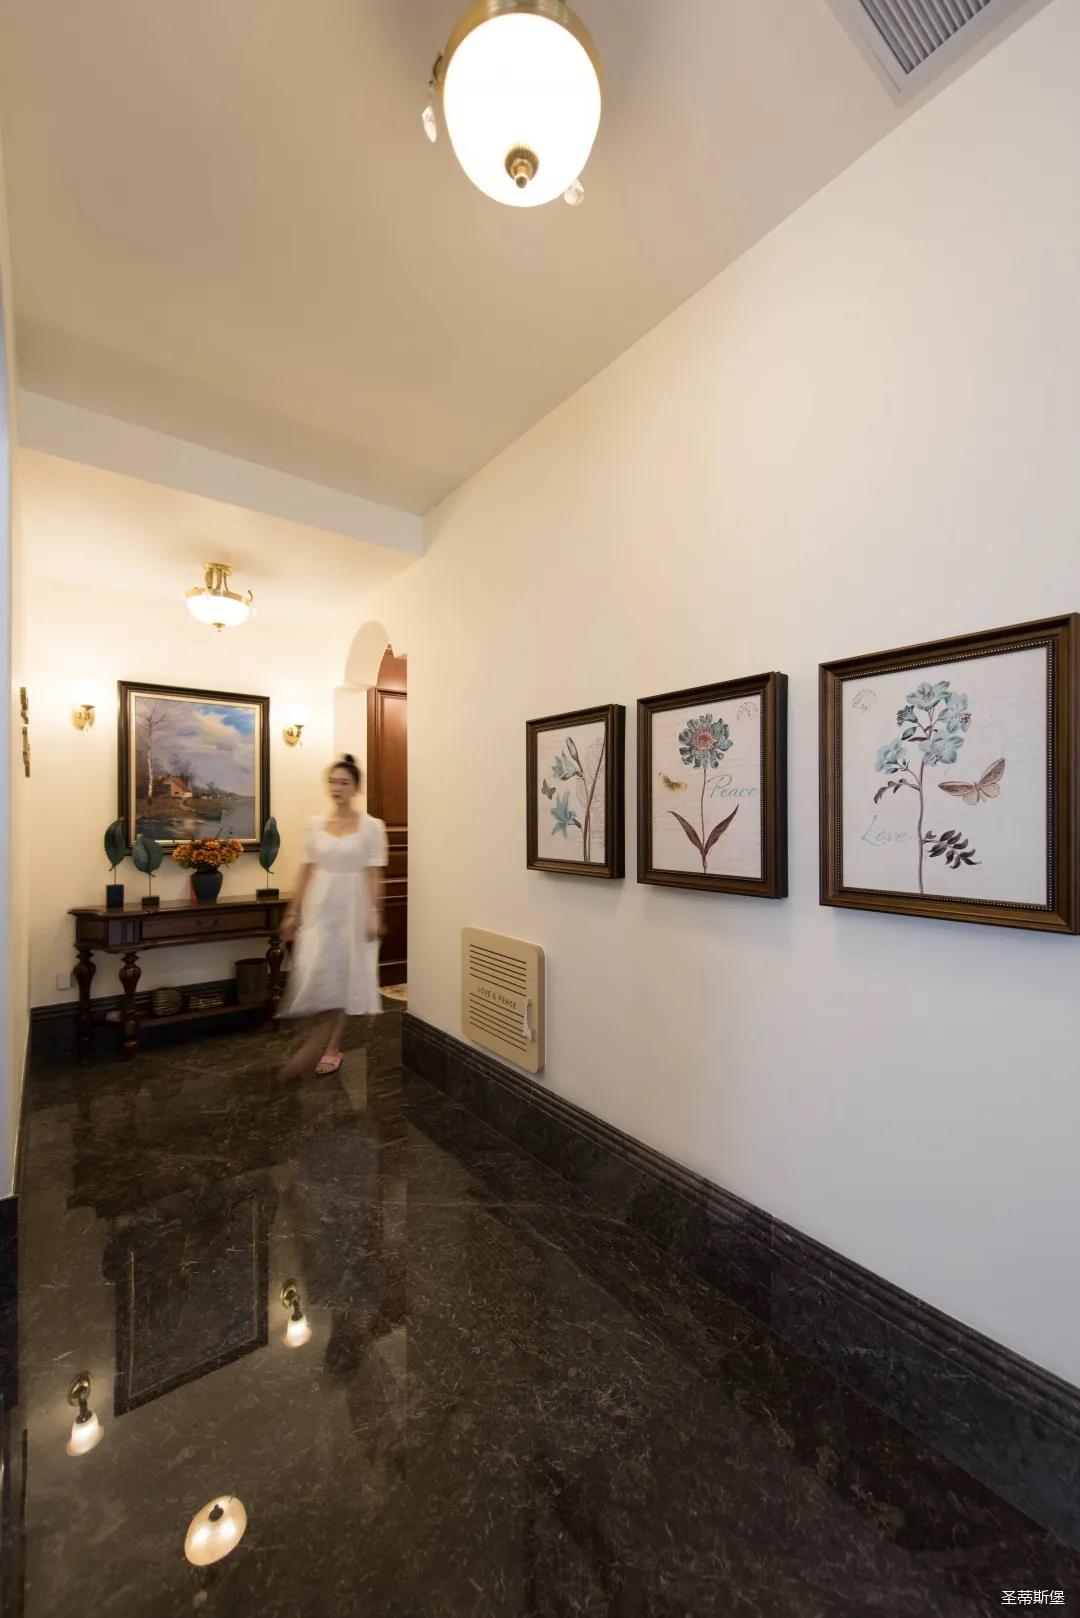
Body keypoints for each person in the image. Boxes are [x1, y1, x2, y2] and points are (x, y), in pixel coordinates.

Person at [278, 755, 388, 1077]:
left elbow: (374, 874)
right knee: (318, 973)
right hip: (320, 908)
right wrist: (292, 912)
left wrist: (374, 912)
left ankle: (331, 1046)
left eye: (344, 782)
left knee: (344, 977)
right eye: (333, 782)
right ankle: (315, 1038)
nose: (337, 788)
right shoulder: (315, 825)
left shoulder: (371, 827)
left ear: (355, 788)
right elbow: (305, 871)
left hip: (353, 909)